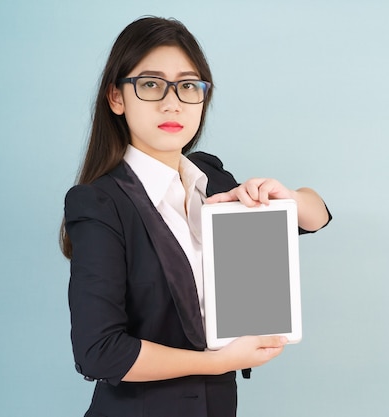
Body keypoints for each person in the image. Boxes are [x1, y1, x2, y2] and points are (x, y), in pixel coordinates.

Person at [60, 16, 331, 417]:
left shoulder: (212, 177)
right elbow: (99, 352)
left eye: (188, 86)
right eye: (151, 84)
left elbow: (316, 217)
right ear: (117, 98)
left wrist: (287, 197)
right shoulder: (99, 202)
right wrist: (219, 361)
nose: (172, 102)